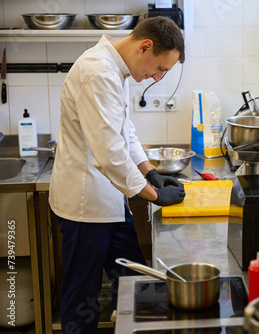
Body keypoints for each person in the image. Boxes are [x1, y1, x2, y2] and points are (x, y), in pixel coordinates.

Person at [48, 17, 185, 334]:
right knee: (83, 300)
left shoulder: (117, 68)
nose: (158, 77)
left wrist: (150, 173)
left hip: (110, 200)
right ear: (145, 46)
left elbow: (126, 133)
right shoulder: (98, 72)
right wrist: (153, 195)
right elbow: (110, 155)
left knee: (137, 284)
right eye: (161, 68)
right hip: (85, 207)